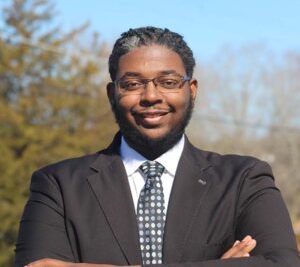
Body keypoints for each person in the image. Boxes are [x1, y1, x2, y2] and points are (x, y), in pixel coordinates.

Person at [15, 27, 299, 267]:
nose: (151, 96)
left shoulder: (243, 181)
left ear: (191, 90)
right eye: (133, 83)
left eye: (168, 82)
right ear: (112, 94)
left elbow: (283, 263)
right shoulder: (58, 186)